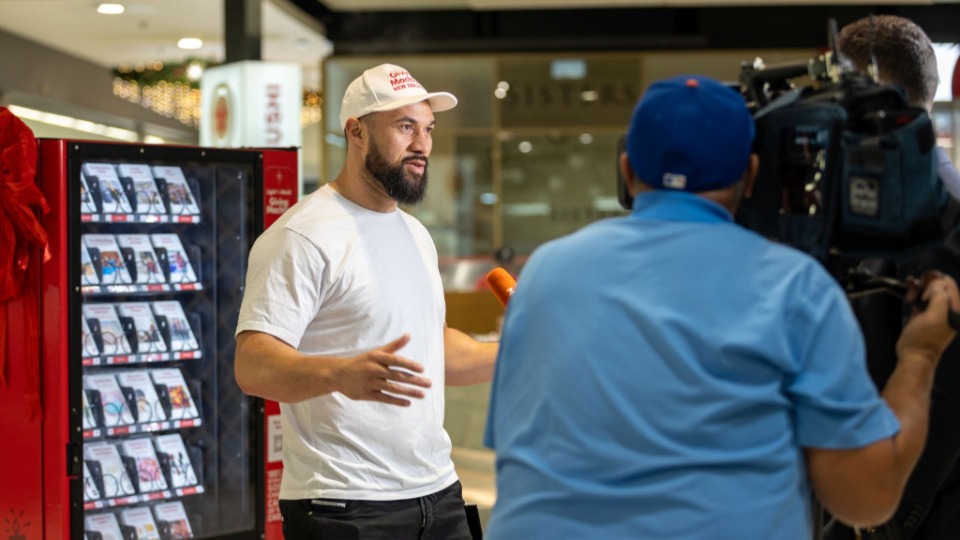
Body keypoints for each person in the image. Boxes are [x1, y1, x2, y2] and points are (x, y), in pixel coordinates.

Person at [482, 74, 960, 539]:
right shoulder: (794, 288)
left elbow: (516, 445)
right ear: (751, 176)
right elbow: (865, 498)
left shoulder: (546, 271)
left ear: (627, 171)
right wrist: (920, 357)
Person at [234, 63, 498, 539]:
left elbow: (430, 350)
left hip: (438, 493)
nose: (422, 144)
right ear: (356, 132)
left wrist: (521, 349)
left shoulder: (415, 233)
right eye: (404, 127)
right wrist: (340, 373)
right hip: (344, 505)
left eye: (428, 128)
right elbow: (252, 364)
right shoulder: (301, 236)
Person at [826, 15, 960, 539]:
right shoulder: (871, 204)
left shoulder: (942, 212)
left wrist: (879, 522)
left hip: (914, 516)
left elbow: (947, 395)